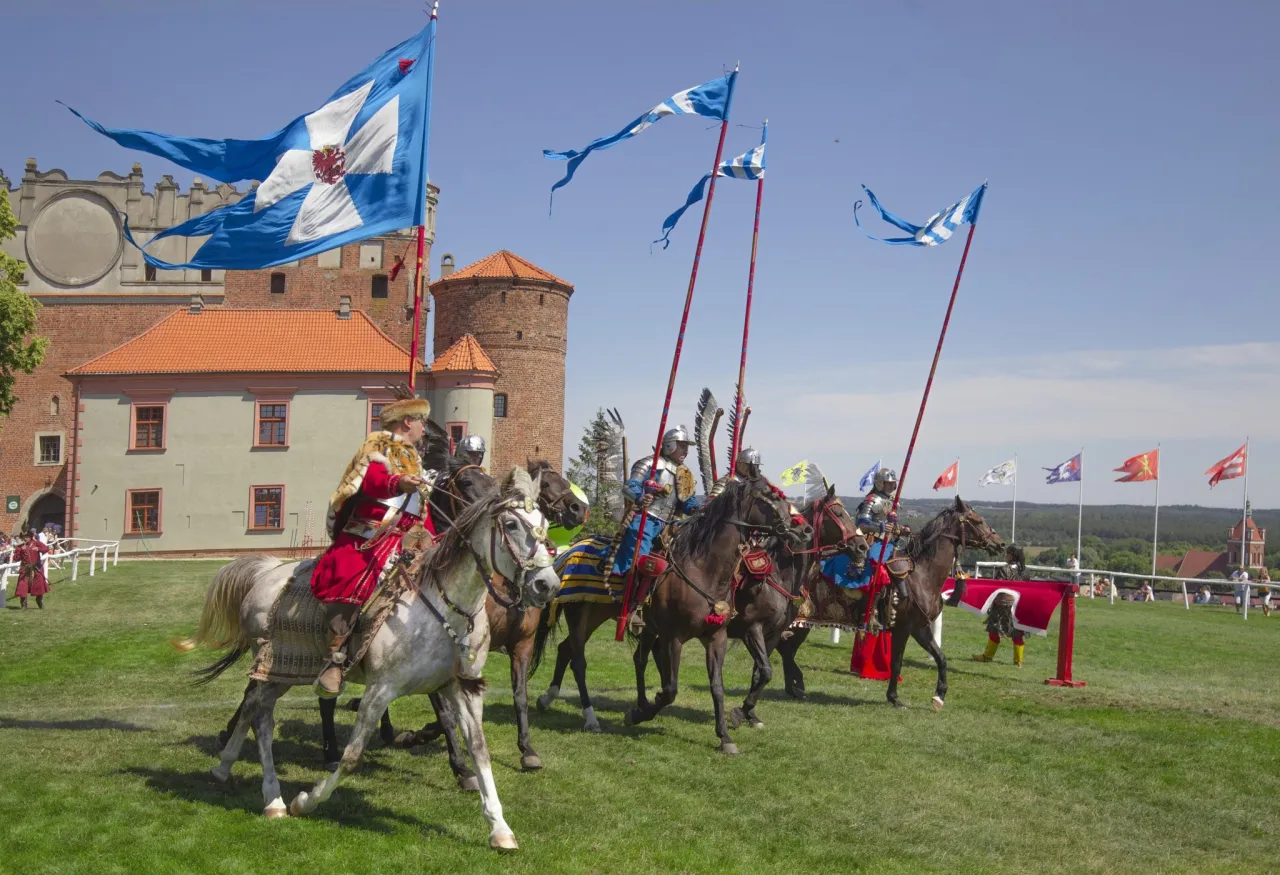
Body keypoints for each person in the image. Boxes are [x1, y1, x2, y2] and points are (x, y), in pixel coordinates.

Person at [309, 397, 436, 697]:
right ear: (407, 422)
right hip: (369, 535)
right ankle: (333, 659)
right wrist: (399, 483)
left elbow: (421, 507)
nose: (424, 428)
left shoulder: (414, 456)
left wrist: (434, 538)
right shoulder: (377, 445)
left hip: (407, 535)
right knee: (356, 580)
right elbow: (371, 483)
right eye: (421, 422)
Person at [612, 426, 704, 577]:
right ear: (670, 445)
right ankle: (628, 581)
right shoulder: (650, 464)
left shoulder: (686, 475)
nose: (686, 451)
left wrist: (698, 508)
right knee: (638, 553)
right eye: (682, 446)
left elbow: (687, 502)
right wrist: (640, 498)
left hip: (669, 526)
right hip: (646, 519)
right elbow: (629, 486)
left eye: (686, 447)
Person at [853, 468, 907, 600]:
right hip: (874, 540)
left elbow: (892, 525)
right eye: (888, 483)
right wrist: (880, 527)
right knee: (874, 563)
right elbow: (861, 523)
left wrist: (900, 529)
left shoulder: (892, 500)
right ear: (880, 483)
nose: (892, 486)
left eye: (893, 483)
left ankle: (900, 595)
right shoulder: (872, 500)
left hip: (890, 542)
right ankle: (869, 600)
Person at [973, 590, 1026, 667]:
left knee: (1016, 634)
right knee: (995, 632)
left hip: (1011, 605)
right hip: (1006, 604)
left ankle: (1017, 661)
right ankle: (1017, 661)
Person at [14, 531, 52, 610]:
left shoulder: (36, 543)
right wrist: (21, 551)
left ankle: (39, 600)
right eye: (24, 537)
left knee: (39, 585)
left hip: (36, 568)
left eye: (27, 537)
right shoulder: (20, 547)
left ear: (30, 537)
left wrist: (38, 549)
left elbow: (46, 548)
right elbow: (15, 558)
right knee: (22, 586)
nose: (25, 538)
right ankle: (23, 604)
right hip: (25, 569)